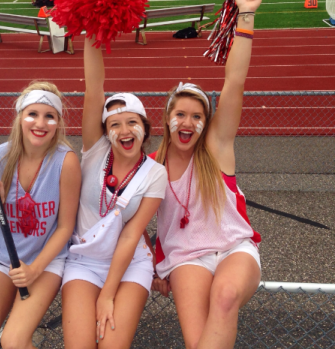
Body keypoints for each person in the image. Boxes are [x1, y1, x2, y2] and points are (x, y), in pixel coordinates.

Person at [149, 0, 262, 348]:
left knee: (226, 296)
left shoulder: (216, 150)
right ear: (167, 118)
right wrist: (153, 262)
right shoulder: (151, 167)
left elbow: (235, 81)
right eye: (180, 114)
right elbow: (126, 221)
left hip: (233, 248)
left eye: (197, 116)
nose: (188, 123)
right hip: (185, 258)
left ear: (206, 123)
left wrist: (247, 14)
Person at [61, 36, 167, 349]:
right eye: (115, 124)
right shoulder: (95, 150)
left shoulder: (156, 174)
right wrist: (93, 27)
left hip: (131, 262)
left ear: (145, 129)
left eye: (132, 122)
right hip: (84, 260)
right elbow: (94, 88)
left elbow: (132, 234)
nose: (124, 131)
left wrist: (107, 294)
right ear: (105, 131)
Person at [0, 81, 81, 349]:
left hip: (43, 261)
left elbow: (65, 227)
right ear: (19, 118)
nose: (40, 123)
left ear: (58, 122)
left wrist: (34, 270)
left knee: (14, 340)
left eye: (49, 116)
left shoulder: (66, 161)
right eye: (32, 114)